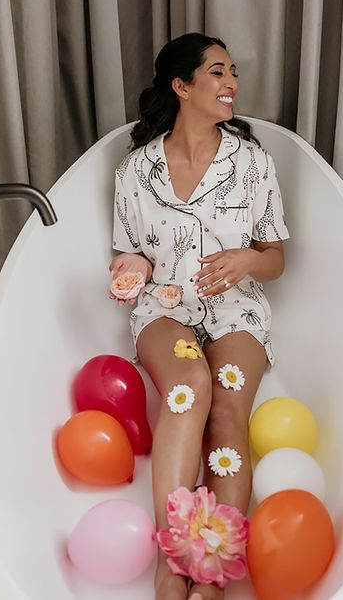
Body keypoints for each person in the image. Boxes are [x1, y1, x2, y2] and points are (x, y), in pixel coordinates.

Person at [109, 33, 289, 600]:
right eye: (217, 72)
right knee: (188, 388)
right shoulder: (135, 172)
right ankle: (172, 558)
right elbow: (132, 251)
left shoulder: (253, 163)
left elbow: (276, 259)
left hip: (236, 310)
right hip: (165, 306)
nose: (231, 82)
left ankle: (210, 571)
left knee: (227, 410)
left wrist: (246, 261)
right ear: (181, 87)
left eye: (232, 71)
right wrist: (128, 272)